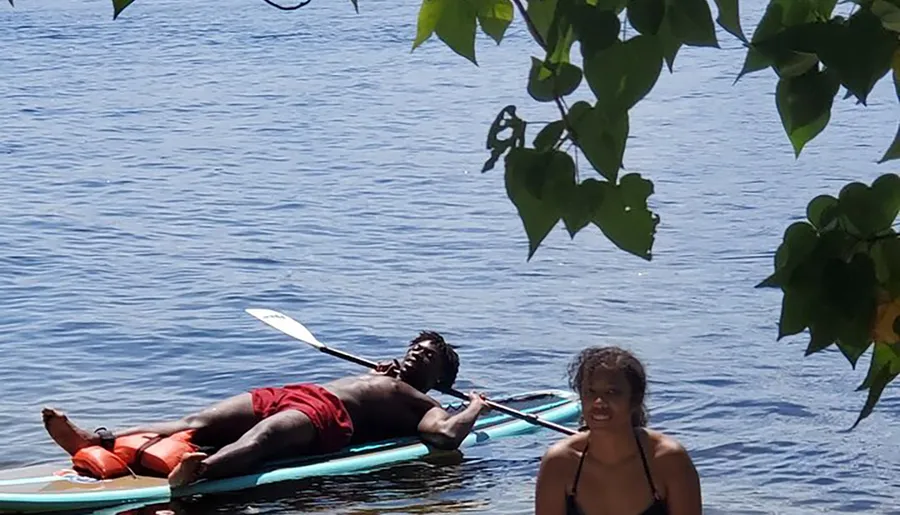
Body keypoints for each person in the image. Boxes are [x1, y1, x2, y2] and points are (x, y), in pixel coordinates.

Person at [41, 331, 489, 487]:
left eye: (426, 355)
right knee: (194, 421)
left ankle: (199, 472)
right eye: (414, 346)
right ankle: (96, 439)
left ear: (440, 378)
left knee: (262, 440)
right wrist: (381, 377)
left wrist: (472, 407)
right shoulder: (386, 374)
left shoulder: (425, 403)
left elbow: (444, 436)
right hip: (296, 392)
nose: (414, 354)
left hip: (327, 417)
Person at [534, 346, 702, 515]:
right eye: (590, 392)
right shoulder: (560, 462)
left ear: (635, 400)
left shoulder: (668, 460)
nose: (599, 402)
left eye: (612, 392)